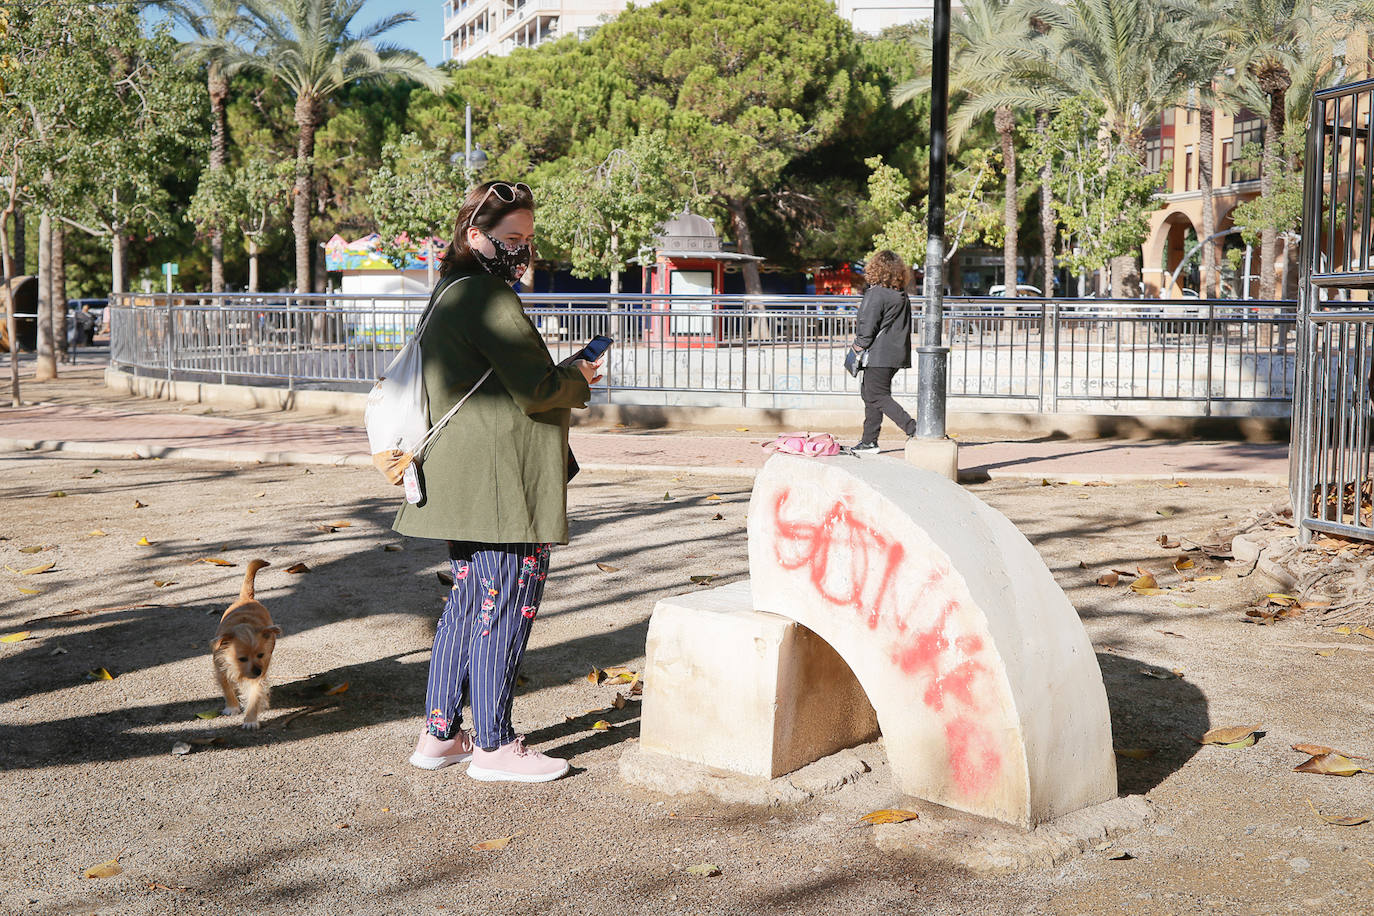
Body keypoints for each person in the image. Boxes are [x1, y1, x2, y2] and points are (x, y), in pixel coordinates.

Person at [397, 180, 601, 783]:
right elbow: (536, 390)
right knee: (505, 604)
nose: (522, 252)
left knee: (466, 602)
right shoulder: (489, 297)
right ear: (474, 235)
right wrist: (579, 373)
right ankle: (493, 744)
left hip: (460, 477)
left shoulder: (449, 292)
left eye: (528, 241)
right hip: (501, 482)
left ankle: (441, 735)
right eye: (511, 239)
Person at [851, 249, 917, 452]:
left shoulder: (876, 293)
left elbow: (867, 325)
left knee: (877, 396)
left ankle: (915, 429)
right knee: (870, 394)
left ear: (875, 269)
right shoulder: (900, 295)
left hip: (878, 354)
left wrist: (858, 347)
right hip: (896, 354)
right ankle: (869, 441)